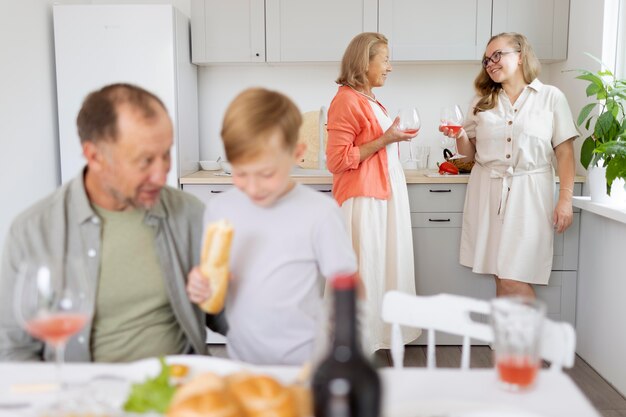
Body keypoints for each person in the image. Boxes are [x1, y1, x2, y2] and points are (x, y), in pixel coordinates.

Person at [0, 83, 212, 362]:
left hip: (177, 389)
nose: (161, 176)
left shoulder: (190, 214)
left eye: (166, 154)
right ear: (94, 156)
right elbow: (13, 350)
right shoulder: (32, 231)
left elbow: (226, 317)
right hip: (83, 396)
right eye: (145, 161)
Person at [186, 88, 358, 366]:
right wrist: (202, 288)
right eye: (240, 174)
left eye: (266, 174)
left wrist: (346, 352)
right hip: (243, 362)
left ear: (297, 153)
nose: (253, 187)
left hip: (308, 363)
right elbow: (215, 301)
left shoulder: (320, 213)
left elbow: (346, 289)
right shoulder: (220, 210)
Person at [440, 32, 578, 298]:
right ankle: (508, 339)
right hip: (487, 191)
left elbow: (565, 152)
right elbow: (468, 153)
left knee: (514, 276)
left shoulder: (551, 97)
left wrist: (565, 199)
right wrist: (458, 135)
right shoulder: (481, 101)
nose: (490, 63)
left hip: (532, 192)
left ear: (521, 55)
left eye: (497, 55)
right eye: (486, 60)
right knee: (500, 274)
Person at [325, 32, 421, 353]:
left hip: (382, 196)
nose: (390, 67)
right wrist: (387, 138)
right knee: (365, 270)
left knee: (382, 269)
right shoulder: (346, 100)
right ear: (364, 62)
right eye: (386, 60)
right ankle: (356, 349)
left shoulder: (369, 98)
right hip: (364, 201)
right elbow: (338, 160)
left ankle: (377, 340)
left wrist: (391, 136)